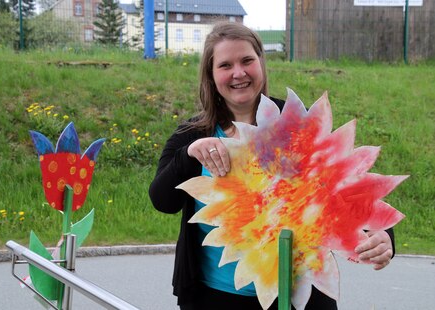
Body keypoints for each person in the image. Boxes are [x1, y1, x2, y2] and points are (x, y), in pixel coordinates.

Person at [149, 21, 395, 310]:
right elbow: (162, 200)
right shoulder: (191, 135)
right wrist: (188, 154)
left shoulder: (297, 123)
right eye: (225, 65)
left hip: (298, 299)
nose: (238, 73)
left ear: (261, 64)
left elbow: (350, 189)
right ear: (211, 75)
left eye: (247, 61)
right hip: (215, 299)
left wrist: (384, 237)